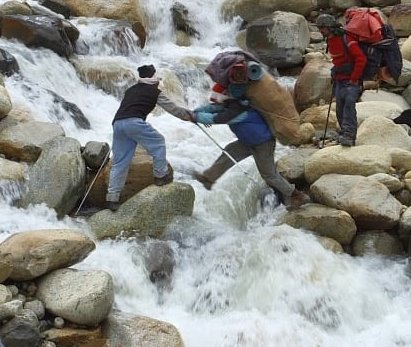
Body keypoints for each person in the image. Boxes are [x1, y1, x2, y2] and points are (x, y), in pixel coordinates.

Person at [193, 64, 310, 210]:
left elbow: (219, 118)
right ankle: (209, 178)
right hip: (249, 141)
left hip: (263, 143)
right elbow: (213, 108)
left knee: (269, 174)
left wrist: (196, 117)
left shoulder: (237, 110)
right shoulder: (233, 103)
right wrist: (196, 112)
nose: (215, 101)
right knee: (229, 152)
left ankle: (296, 195)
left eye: (217, 98)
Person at [106, 64, 193, 211]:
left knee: (120, 163)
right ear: (152, 76)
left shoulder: (131, 90)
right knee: (159, 142)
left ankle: (112, 198)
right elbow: (173, 109)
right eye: (156, 74)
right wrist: (190, 116)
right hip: (133, 122)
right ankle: (160, 176)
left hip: (117, 124)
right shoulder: (154, 91)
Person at [317, 13, 366, 147]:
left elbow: (361, 59)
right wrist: (334, 71)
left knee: (349, 104)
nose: (320, 31)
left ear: (329, 27)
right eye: (319, 28)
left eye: (322, 28)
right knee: (339, 108)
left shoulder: (347, 39)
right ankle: (344, 133)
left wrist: (355, 79)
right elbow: (338, 60)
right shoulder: (330, 40)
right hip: (340, 79)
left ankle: (350, 136)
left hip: (351, 80)